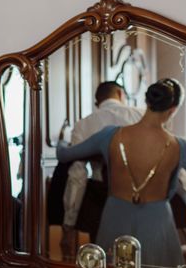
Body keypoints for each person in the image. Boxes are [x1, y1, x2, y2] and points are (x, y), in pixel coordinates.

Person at [57, 78, 186, 268]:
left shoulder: (110, 135)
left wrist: (62, 141)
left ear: (147, 101)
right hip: (158, 222)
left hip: (115, 215)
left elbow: (65, 155)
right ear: (174, 109)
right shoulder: (182, 146)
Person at [59, 81, 143, 258]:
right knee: (139, 259)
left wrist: (69, 223)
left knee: (104, 260)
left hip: (101, 201)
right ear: (120, 94)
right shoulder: (141, 116)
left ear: (97, 102)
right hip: (139, 199)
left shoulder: (83, 125)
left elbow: (77, 177)